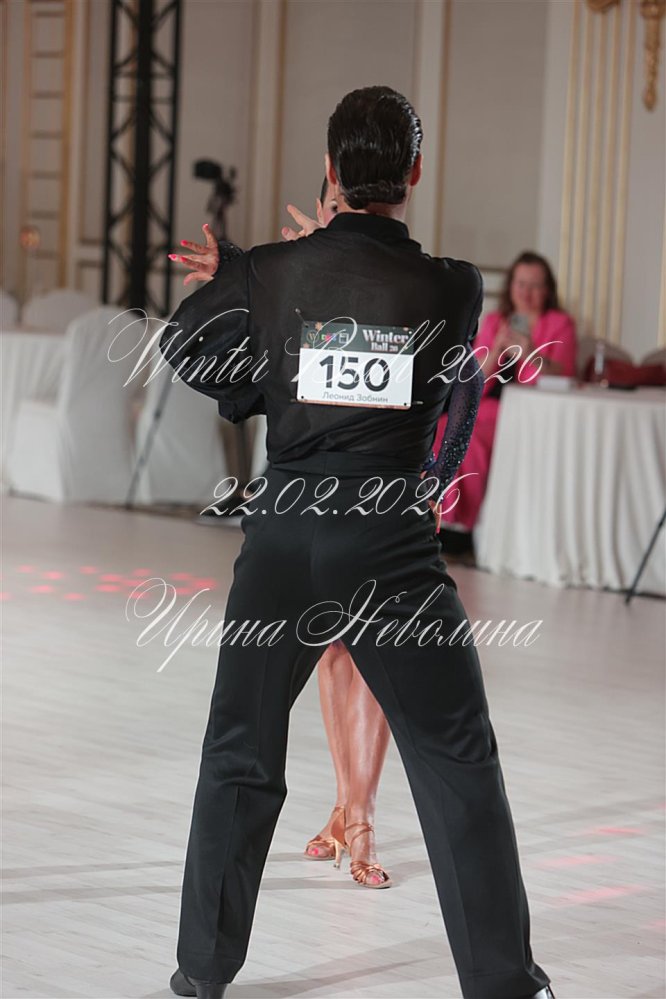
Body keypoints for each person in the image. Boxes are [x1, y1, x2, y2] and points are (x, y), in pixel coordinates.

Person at [161, 85, 554, 999]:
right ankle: (502, 981)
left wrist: (251, 298)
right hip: (386, 541)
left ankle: (201, 971)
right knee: (455, 756)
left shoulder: (271, 273)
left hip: (283, 534)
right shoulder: (454, 285)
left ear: (329, 169)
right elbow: (404, 361)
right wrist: (295, 277)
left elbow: (190, 346)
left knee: (238, 751)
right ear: (414, 171)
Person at [169, 179, 482, 893]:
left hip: (388, 501)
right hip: (309, 503)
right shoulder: (300, 284)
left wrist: (436, 476)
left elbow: (464, 378)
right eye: (328, 213)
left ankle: (360, 816)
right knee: (334, 651)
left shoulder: (412, 286)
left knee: (372, 656)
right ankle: (347, 804)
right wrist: (243, 268)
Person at [435, 251, 577, 560]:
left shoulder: (560, 324)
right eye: (520, 284)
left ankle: (458, 528)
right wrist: (497, 348)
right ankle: (433, 513)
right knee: (444, 426)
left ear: (548, 290)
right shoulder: (494, 321)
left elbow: (559, 377)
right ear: (511, 286)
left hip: (528, 411)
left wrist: (529, 352)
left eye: (535, 286)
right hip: (490, 405)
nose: (526, 293)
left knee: (473, 440)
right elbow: (475, 381)